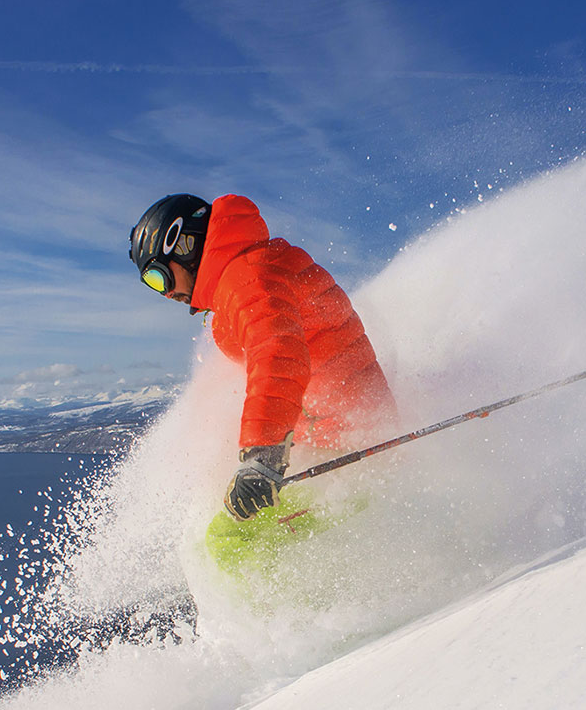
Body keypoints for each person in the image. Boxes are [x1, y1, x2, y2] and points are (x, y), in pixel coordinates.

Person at [129, 193, 397, 524]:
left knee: (227, 541)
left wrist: (262, 455)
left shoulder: (246, 277)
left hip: (354, 450)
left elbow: (277, 351)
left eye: (158, 278)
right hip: (336, 439)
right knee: (228, 534)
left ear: (182, 244)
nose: (166, 293)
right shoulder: (241, 276)